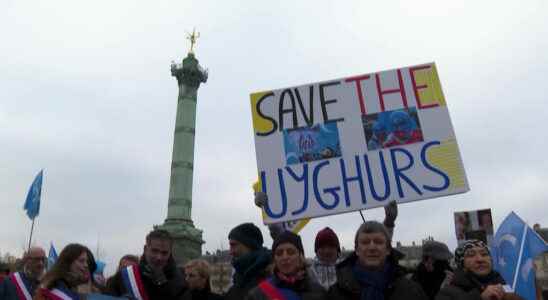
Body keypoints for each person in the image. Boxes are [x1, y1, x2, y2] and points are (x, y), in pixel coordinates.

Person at [328, 221, 428, 300]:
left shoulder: (412, 291)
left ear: (388, 249)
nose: (372, 247)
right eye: (365, 242)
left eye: (378, 242)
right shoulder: (336, 293)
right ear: (357, 250)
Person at [105, 229, 186, 300]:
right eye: (154, 251)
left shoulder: (180, 282)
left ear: (170, 253)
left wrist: (163, 287)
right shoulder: (124, 277)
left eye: (164, 253)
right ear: (145, 249)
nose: (159, 257)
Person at [246, 231, 326, 300]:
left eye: (291, 252)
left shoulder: (319, 292)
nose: (285, 257)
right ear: (274, 260)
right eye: (279, 253)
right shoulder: (258, 294)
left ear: (300, 256)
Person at [436, 240, 524, 300]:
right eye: (471, 255)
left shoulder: (508, 285)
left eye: (484, 254)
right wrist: (479, 298)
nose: (480, 259)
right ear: (461, 263)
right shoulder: (447, 292)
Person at [224, 222, 272, 300]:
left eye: (233, 245)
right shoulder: (238, 279)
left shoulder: (271, 278)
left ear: (250, 245)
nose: (230, 252)